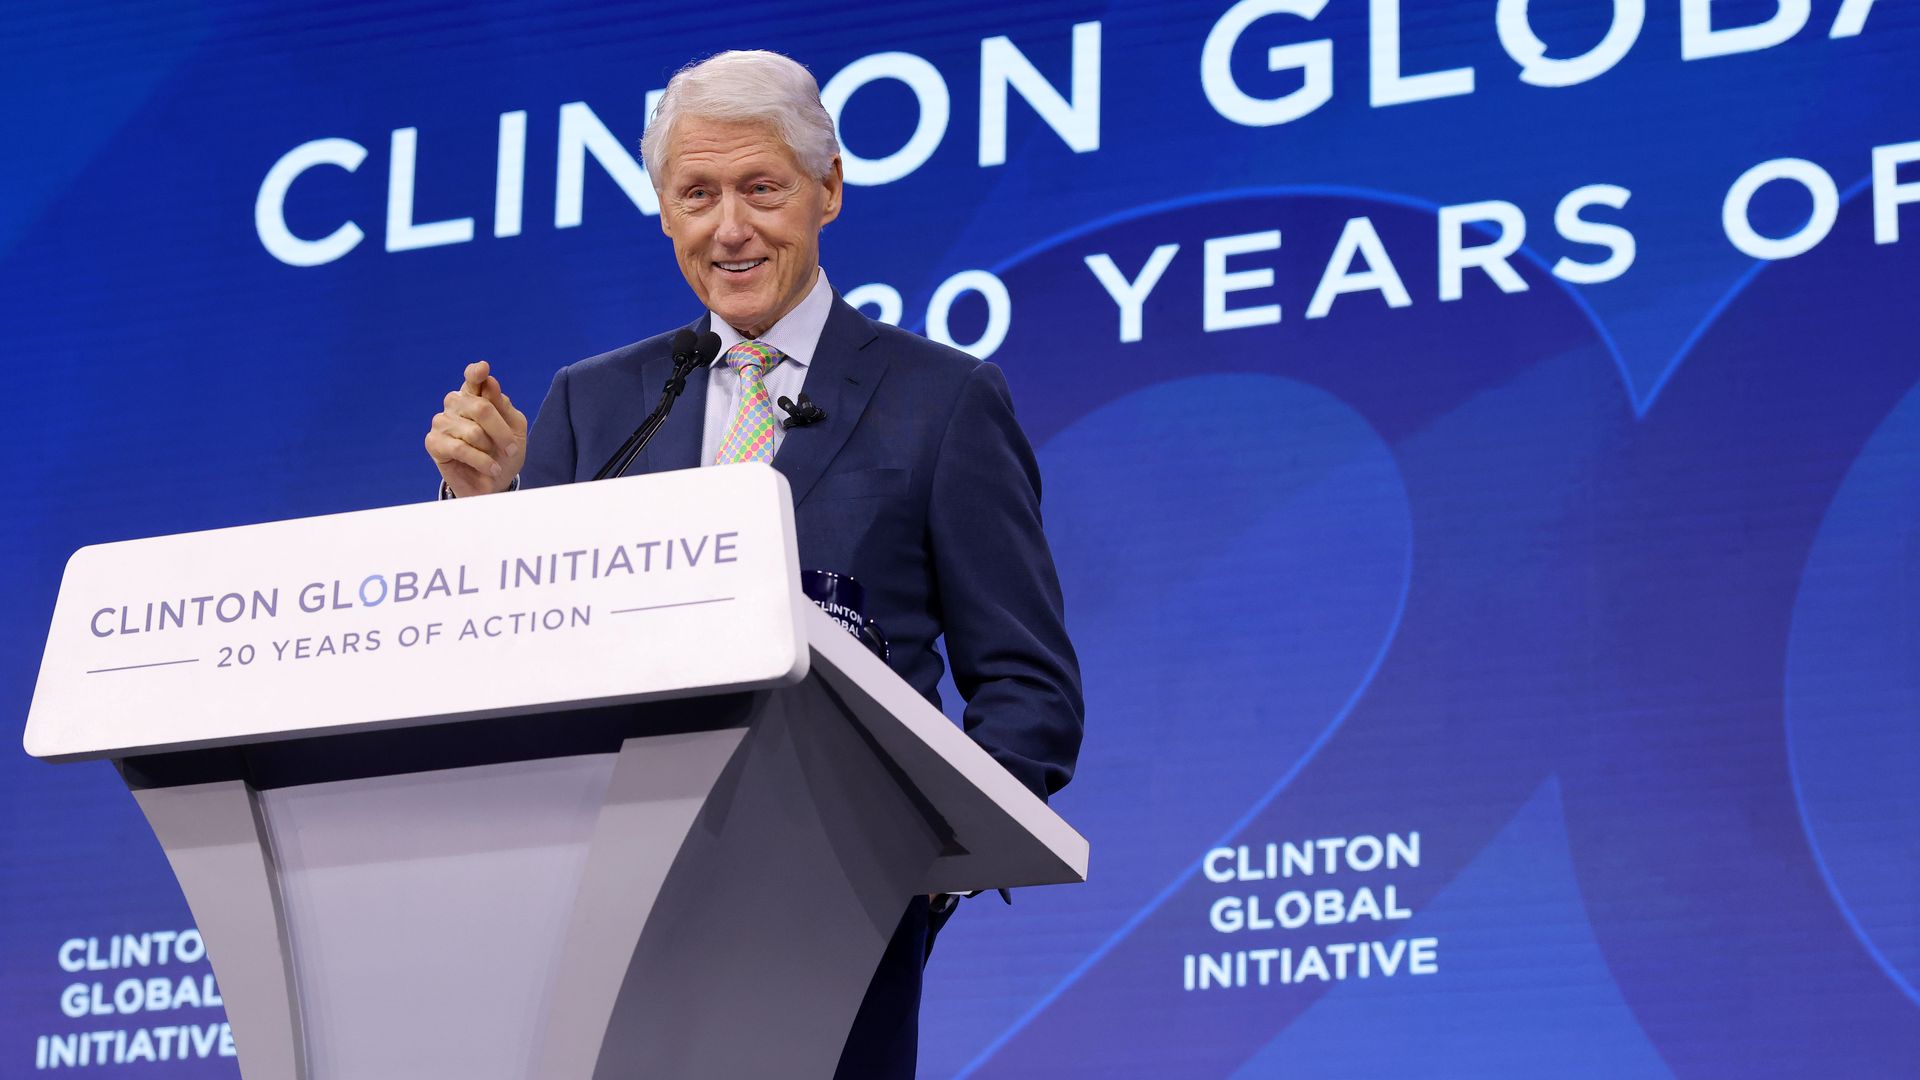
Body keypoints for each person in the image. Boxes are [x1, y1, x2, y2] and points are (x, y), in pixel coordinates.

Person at [423, 49, 1082, 1078]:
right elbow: (517, 655)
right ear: (663, 212)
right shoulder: (594, 404)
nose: (728, 228)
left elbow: (1028, 689)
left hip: (838, 910)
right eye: (696, 195)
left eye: (760, 188)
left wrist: (922, 871)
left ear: (828, 189)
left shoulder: (941, 401)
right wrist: (486, 514)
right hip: (599, 909)